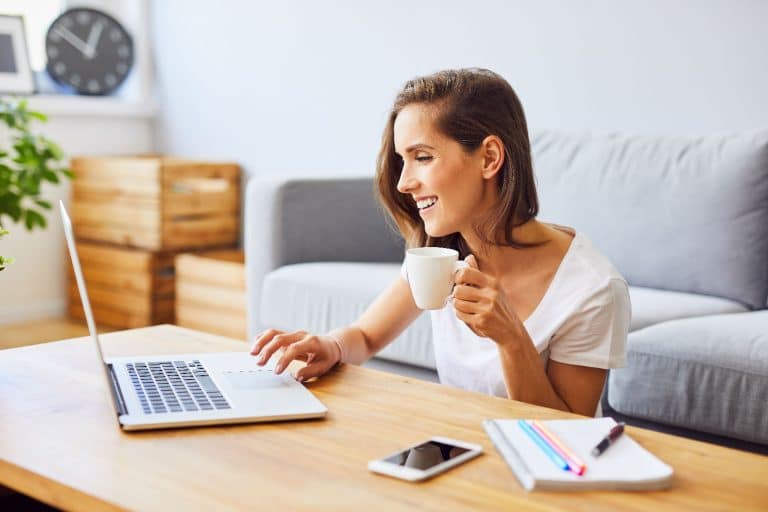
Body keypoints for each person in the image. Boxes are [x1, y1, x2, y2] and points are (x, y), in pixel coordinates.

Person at [251, 68, 630, 417]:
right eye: (403, 161)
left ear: (490, 158)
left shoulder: (590, 288)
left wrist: (512, 339)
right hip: (462, 447)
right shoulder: (441, 250)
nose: (403, 183)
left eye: (423, 157)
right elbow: (366, 337)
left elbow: (569, 432)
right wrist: (330, 347)